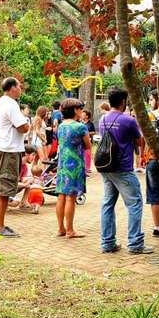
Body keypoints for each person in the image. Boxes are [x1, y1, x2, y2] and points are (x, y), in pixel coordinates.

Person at [98, 87, 153, 255]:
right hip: (123, 168)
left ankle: (108, 243)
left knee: (108, 204)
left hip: (107, 167)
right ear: (123, 102)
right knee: (135, 203)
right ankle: (135, 243)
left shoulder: (102, 119)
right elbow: (139, 140)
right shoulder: (128, 120)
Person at [0, 77, 30, 237]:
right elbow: (23, 127)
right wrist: (26, 123)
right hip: (8, 150)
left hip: (0, 147)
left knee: (1, 188)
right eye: (19, 86)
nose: (21, 89)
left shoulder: (1, 102)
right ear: (13, 88)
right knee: (5, 189)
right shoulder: (11, 104)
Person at [55, 98, 90, 238]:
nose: (82, 111)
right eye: (80, 108)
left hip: (62, 164)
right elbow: (88, 145)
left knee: (61, 196)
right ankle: (70, 230)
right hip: (75, 164)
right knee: (71, 197)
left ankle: (61, 229)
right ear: (75, 110)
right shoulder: (80, 127)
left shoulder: (61, 126)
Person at [144, 90, 159, 237]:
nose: (150, 102)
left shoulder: (150, 116)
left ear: (158, 100)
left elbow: (144, 137)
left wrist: (142, 154)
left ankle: (157, 226)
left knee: (154, 193)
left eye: (152, 99)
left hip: (153, 158)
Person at [81, 110, 95, 174]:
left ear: (87, 116)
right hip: (82, 141)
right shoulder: (81, 123)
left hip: (89, 141)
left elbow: (94, 132)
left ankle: (87, 168)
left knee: (88, 155)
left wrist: (87, 133)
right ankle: (84, 168)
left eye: (83, 115)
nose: (82, 115)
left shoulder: (90, 124)